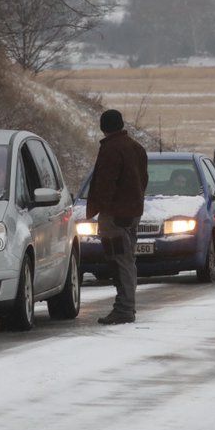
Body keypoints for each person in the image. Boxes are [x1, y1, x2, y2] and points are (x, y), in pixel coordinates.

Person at [86, 109, 149, 325]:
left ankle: (124, 309)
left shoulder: (111, 149)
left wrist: (102, 208)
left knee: (120, 262)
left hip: (115, 215)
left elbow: (105, 184)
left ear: (104, 127)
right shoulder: (136, 148)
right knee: (127, 260)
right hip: (132, 213)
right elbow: (143, 180)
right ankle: (126, 306)